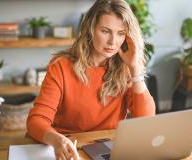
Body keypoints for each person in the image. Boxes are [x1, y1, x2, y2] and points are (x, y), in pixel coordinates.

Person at [27, 0, 156, 159]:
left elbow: (146, 124)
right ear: (90, 29)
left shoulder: (126, 68)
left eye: (120, 33)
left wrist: (135, 69)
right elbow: (36, 120)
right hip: (68, 149)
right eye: (105, 31)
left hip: (108, 150)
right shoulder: (61, 67)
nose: (112, 42)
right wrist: (56, 139)